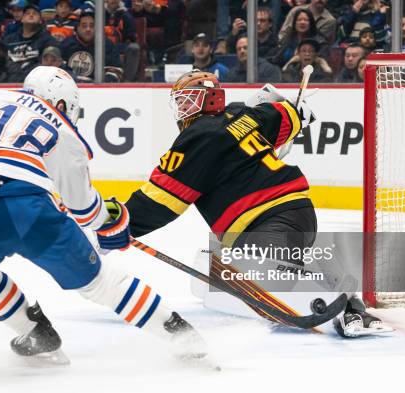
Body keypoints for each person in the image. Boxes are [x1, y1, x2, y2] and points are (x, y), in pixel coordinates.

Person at [0, 66, 208, 363]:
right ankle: (182, 336)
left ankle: (34, 330)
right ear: (62, 103)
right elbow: (85, 209)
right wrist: (113, 221)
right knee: (99, 284)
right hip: (30, 211)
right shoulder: (64, 130)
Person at [124, 70, 390, 338]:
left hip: (267, 221)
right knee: (256, 268)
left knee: (264, 282)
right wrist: (297, 112)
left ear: (212, 98)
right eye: (180, 102)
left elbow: (158, 201)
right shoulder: (243, 114)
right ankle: (333, 287)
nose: (183, 108)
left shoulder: (197, 138)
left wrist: (118, 224)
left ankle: (349, 309)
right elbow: (289, 115)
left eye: (190, 100)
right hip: (295, 213)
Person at [60, 9, 123, 82]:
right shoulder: (66, 44)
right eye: (84, 26)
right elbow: (58, 70)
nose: (88, 29)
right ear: (77, 28)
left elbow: (116, 71)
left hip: (97, 91)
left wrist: (99, 85)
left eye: (92, 26)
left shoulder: (106, 45)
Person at [3, 4, 58, 81]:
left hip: (35, 81)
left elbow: (46, 65)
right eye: (27, 13)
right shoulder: (9, 40)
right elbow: (2, 63)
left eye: (35, 13)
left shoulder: (48, 40)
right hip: (9, 82)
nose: (31, 15)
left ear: (40, 20)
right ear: (22, 19)